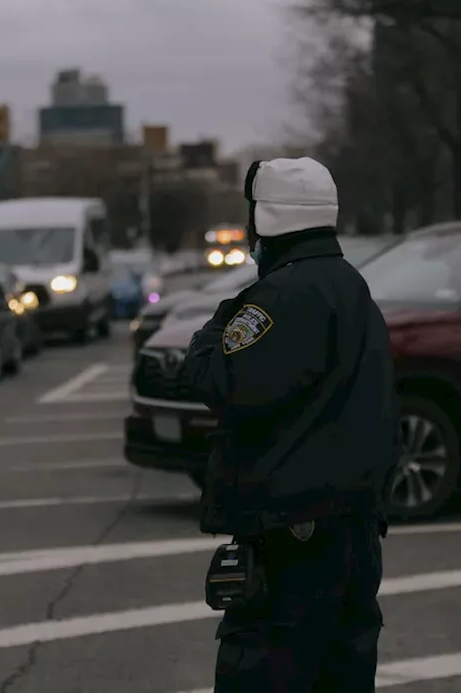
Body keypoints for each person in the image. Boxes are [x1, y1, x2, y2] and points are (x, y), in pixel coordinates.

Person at [181, 157, 398, 691]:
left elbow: (221, 381)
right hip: (353, 528)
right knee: (342, 672)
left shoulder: (280, 297)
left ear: (266, 220)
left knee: (264, 669)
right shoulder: (352, 287)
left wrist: (217, 325)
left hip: (292, 534)